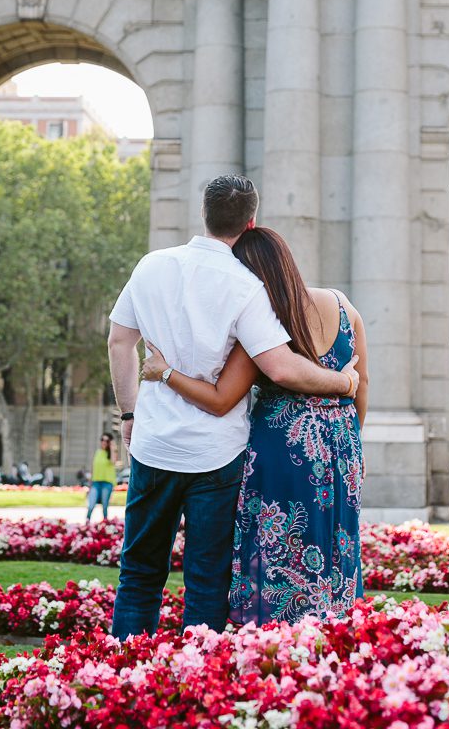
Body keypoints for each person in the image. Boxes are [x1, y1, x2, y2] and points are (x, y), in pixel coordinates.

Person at [107, 174, 359, 640]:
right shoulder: (247, 287)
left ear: (204, 213)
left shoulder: (150, 265)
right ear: (251, 222)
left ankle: (124, 672)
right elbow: (282, 368)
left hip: (153, 446)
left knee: (139, 572)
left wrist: (129, 415)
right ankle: (196, 677)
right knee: (206, 580)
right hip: (217, 455)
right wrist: (343, 381)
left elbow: (120, 342)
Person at [86, 431, 117, 521]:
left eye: (106, 441)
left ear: (109, 442)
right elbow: (93, 468)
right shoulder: (98, 452)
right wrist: (90, 483)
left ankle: (105, 523)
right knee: (91, 504)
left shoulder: (112, 453)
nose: (104, 442)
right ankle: (87, 523)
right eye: (102, 439)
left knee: (104, 505)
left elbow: (112, 461)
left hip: (107, 483)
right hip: (96, 482)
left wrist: (112, 447)